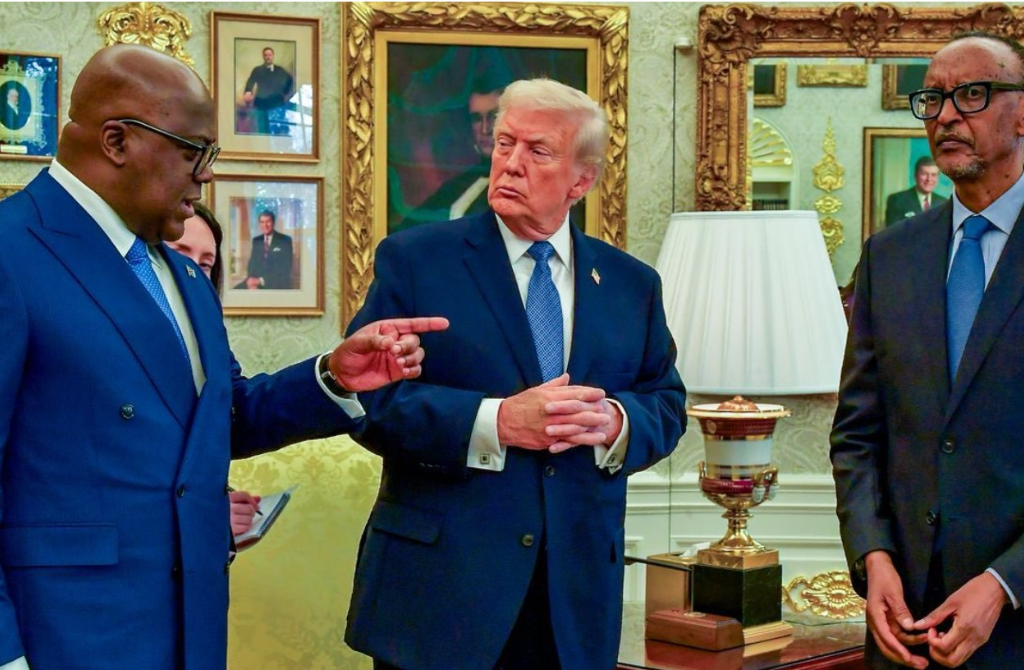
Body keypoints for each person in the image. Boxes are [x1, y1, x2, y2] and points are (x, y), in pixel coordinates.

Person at [0, 44, 447, 670]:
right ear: (117, 141)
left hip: (191, 626)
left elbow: (218, 418)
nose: (206, 175)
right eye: (195, 152)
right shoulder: (12, 252)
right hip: (62, 636)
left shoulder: (183, 276)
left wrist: (332, 376)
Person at [345, 78, 687, 670]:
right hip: (441, 595)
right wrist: (496, 422)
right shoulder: (416, 260)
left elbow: (666, 403)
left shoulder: (632, 284)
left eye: (538, 151)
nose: (511, 163)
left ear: (581, 181)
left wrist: (615, 422)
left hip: (573, 603)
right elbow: (368, 403)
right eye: (505, 143)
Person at [831, 32, 1024, 670]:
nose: (945, 116)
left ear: (1022, 112)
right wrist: (873, 557)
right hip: (904, 625)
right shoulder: (890, 255)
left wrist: (1004, 583)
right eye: (933, 99)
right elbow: (858, 434)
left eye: (971, 95)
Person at [168, 203, 259, 536]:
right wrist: (205, 512)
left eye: (205, 264)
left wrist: (332, 375)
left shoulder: (208, 340)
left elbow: (234, 412)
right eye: (179, 255)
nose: (192, 271)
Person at [395, 80, 504, 233]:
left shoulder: (525, 183)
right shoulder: (459, 185)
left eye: (493, 117)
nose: (485, 129)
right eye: (477, 119)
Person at [241, 46, 294, 135]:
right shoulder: (257, 70)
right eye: (266, 55)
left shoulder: (279, 70)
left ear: (273, 56)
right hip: (261, 104)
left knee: (277, 129)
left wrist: (284, 93)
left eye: (270, 55)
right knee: (262, 130)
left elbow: (289, 80)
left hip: (276, 103)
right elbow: (250, 82)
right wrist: (248, 92)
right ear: (263, 56)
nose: (268, 57)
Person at [884, 156, 948, 225]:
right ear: (915, 175)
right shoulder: (897, 200)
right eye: (924, 174)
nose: (929, 179)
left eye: (933, 175)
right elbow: (894, 230)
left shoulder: (944, 203)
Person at [243, 209, 293, 290]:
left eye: (268, 221)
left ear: (273, 222)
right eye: (262, 222)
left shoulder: (285, 240)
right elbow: (252, 264)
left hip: (276, 284)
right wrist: (251, 282)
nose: (265, 225)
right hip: (256, 284)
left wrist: (260, 281)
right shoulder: (256, 240)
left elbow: (285, 269)